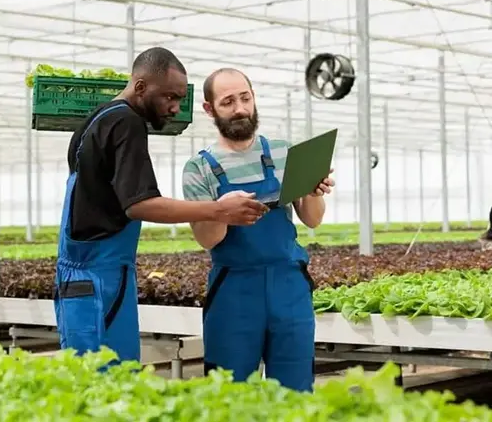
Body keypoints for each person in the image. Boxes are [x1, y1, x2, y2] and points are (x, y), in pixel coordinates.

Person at [55, 47, 268, 365]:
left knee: (89, 379)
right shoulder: (127, 123)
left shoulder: (98, 119)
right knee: (107, 381)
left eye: (179, 99)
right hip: (100, 278)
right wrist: (219, 210)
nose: (174, 107)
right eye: (169, 97)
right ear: (140, 87)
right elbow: (141, 205)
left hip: (83, 276)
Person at [181, 67, 335, 392]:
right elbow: (208, 238)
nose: (239, 108)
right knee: (232, 394)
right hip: (235, 290)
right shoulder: (199, 168)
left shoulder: (283, 152)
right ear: (210, 109)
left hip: (289, 285)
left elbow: (312, 218)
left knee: (295, 392)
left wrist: (313, 188)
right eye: (228, 102)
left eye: (245, 98)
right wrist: (223, 209)